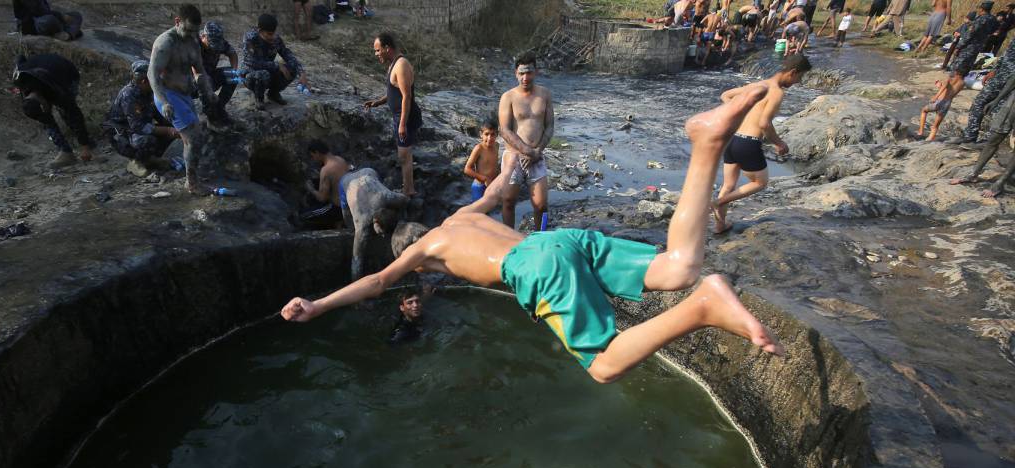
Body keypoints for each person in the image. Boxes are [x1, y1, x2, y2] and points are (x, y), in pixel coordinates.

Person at [281, 88, 785, 383]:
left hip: (535, 267)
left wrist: (319, 305)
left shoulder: (426, 247)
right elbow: (501, 184)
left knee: (605, 366)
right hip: (555, 241)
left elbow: (375, 284)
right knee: (679, 266)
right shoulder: (464, 214)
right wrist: (519, 155)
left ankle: (704, 308)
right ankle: (707, 143)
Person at [713, 54, 809, 234]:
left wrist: (738, 113)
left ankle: (720, 225)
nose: (797, 82)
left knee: (728, 185)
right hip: (749, 143)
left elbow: (725, 96)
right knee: (760, 183)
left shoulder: (757, 85)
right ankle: (718, 202)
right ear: (793, 72)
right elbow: (764, 123)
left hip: (732, 139)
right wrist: (779, 143)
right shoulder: (777, 92)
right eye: (799, 77)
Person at [149, 4, 214, 195]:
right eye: (187, 30)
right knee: (193, 139)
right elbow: (152, 75)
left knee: (195, 137)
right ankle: (192, 184)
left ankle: (192, 177)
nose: (190, 34)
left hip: (185, 95)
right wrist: (165, 101)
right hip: (168, 95)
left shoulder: (193, 41)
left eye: (194, 31)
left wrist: (208, 91)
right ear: (177, 22)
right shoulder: (165, 43)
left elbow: (199, 70)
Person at [496, 53, 554, 228]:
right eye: (521, 73)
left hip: (537, 156)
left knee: (541, 205)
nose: (525, 77)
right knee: (508, 201)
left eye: (529, 72)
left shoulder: (544, 95)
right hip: (514, 157)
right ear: (516, 73)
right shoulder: (508, 97)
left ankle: (541, 237)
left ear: (536, 72)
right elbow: (504, 130)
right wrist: (528, 151)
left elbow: (550, 126)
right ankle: (509, 239)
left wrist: (537, 151)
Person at [12, 53, 93, 169]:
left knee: (67, 112)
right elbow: (20, 58)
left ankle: (86, 143)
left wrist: (85, 148)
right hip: (41, 67)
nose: (48, 111)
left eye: (45, 108)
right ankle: (66, 152)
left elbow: (75, 114)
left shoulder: (58, 92)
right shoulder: (20, 81)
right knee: (47, 120)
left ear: (43, 102)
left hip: (67, 71)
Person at [364, 33, 422, 198]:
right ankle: (408, 187)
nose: (376, 54)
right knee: (404, 155)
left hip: (406, 116)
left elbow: (407, 96)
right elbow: (393, 92)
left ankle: (409, 190)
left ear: (386, 48)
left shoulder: (401, 65)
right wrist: (378, 102)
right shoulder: (393, 64)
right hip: (400, 116)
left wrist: (402, 124)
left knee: (404, 156)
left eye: (377, 50)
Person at [102, 60, 179, 176]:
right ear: (144, 81)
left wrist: (173, 125)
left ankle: (150, 159)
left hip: (136, 129)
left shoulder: (147, 92)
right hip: (122, 134)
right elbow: (138, 126)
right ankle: (136, 161)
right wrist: (168, 130)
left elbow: (155, 112)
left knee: (171, 130)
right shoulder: (129, 95)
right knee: (148, 140)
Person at [951, 72, 1015, 196]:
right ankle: (973, 174)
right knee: (994, 138)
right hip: (1012, 104)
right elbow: (1013, 80)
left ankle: (1000, 183)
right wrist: (996, 100)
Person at [242, 13, 310, 108]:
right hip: (251, 75)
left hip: (269, 72)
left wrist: (301, 72)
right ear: (260, 31)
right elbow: (252, 62)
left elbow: (287, 54)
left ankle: (273, 93)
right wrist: (277, 65)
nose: (272, 36)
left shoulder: (276, 39)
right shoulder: (251, 39)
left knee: (291, 69)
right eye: (269, 34)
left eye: (273, 33)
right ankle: (259, 98)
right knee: (262, 74)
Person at [960, 43, 1015, 142]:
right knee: (979, 102)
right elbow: (1006, 54)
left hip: (1011, 83)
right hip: (999, 76)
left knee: (999, 111)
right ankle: (970, 135)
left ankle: (987, 141)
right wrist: (994, 70)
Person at [301, 139, 351, 228]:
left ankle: (336, 222)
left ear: (317, 153)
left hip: (338, 209)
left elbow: (322, 198)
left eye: (312, 156)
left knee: (304, 216)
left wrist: (310, 189)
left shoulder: (326, 170)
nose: (313, 159)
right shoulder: (341, 160)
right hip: (349, 205)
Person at [198, 21, 239, 124]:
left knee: (233, 76)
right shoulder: (194, 44)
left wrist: (234, 70)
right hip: (194, 81)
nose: (214, 48)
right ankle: (209, 115)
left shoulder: (219, 41)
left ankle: (219, 108)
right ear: (203, 36)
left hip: (210, 75)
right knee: (206, 81)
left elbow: (232, 53)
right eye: (211, 45)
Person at [948, 3, 1000, 84]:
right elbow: (996, 30)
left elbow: (969, 35)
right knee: (968, 65)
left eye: (979, 8)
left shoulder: (980, 19)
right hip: (979, 46)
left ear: (982, 9)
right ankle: (959, 81)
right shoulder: (993, 19)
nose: (978, 10)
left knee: (958, 66)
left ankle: (952, 83)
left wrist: (959, 46)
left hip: (969, 46)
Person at [463, 119, 501, 202]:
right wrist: (484, 179)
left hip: (492, 184)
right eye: (486, 134)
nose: (489, 138)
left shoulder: (496, 146)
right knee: (478, 211)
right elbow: (467, 169)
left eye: (492, 134)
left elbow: (493, 164)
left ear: (497, 135)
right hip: (479, 186)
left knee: (489, 209)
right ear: (481, 134)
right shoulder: (479, 149)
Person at [13, 0, 83, 40]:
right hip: (31, 25)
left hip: (45, 19)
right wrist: (61, 16)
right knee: (49, 20)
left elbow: (46, 11)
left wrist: (61, 17)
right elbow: (39, 11)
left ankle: (68, 35)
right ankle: (68, 31)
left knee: (76, 15)